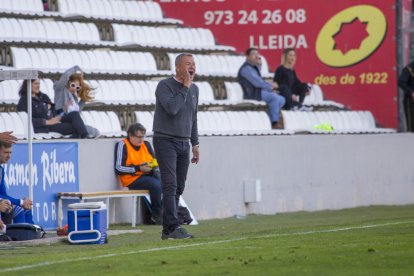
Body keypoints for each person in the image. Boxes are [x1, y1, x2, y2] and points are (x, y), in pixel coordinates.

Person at [153, 53, 200, 240]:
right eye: (188, 64)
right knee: (170, 185)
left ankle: (168, 229)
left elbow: (193, 117)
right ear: (178, 67)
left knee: (179, 186)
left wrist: (195, 143)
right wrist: (185, 87)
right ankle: (172, 227)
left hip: (183, 142)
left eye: (194, 64)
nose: (192, 67)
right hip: (165, 140)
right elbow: (173, 109)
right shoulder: (164, 86)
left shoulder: (195, 89)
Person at [114, 123, 162, 224]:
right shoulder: (122, 145)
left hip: (148, 176)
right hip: (131, 179)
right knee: (156, 185)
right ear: (131, 136)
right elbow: (118, 168)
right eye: (138, 137)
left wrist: (152, 168)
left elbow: (155, 161)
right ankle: (156, 215)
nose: (141, 139)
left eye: (143, 136)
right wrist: (138, 168)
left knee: (167, 182)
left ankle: (169, 213)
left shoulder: (146, 144)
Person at [237, 48, 286, 129]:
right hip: (252, 94)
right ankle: (274, 122)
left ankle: (268, 119)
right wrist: (271, 86)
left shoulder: (253, 67)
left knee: (281, 99)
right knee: (274, 98)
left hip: (258, 92)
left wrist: (259, 65)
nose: (256, 56)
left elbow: (259, 81)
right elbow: (257, 83)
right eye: (253, 54)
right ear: (247, 57)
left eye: (257, 54)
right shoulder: (246, 69)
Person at [53, 65, 100, 138]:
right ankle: (85, 136)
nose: (74, 88)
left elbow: (77, 112)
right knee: (79, 123)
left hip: (71, 121)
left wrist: (84, 99)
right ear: (69, 82)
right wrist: (76, 68)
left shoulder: (74, 97)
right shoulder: (60, 89)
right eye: (73, 85)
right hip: (60, 118)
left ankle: (78, 138)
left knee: (94, 131)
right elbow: (65, 76)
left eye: (77, 87)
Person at [0, 141, 34, 227]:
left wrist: (21, 202)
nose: (9, 156)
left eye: (10, 153)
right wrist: (21, 202)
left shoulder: (1, 169)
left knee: (26, 209)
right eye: (6, 152)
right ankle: (19, 238)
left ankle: (33, 236)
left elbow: (3, 194)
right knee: (18, 209)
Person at [398, 61, 414, 132]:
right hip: (410, 101)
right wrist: (411, 92)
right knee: (412, 126)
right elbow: (401, 82)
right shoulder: (409, 69)